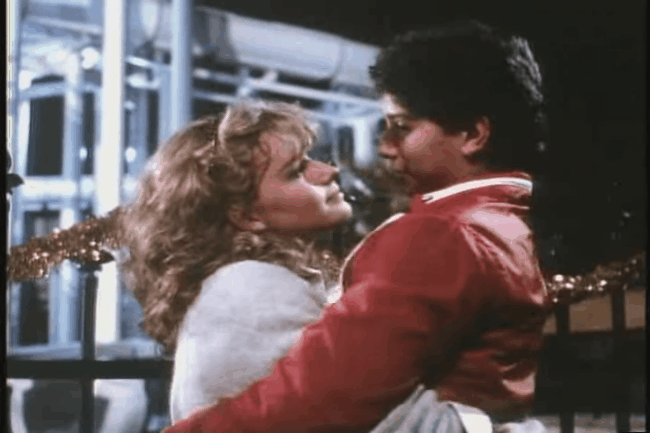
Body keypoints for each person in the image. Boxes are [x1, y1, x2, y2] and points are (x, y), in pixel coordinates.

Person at [164, 20, 552, 433]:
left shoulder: (437, 235)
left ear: (473, 134)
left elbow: (325, 397)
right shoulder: (502, 223)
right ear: (244, 213)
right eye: (296, 170)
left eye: (402, 127)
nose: (385, 146)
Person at [118, 100, 354, 422]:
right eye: (296, 171)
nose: (329, 171)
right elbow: (363, 412)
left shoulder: (236, 284)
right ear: (247, 216)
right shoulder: (253, 288)